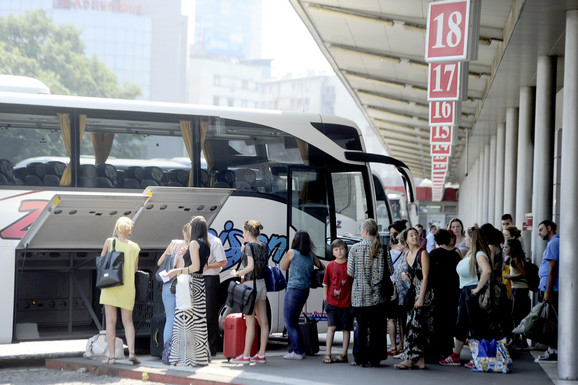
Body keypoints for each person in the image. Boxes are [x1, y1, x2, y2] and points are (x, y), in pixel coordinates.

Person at [439, 227, 492, 368]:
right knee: (461, 325)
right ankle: (456, 355)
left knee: (476, 326)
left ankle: (478, 357)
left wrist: (478, 288)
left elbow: (487, 271)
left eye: (467, 237)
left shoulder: (479, 254)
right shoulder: (471, 253)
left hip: (472, 292)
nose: (465, 239)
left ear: (472, 239)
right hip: (466, 292)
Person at [167, 216, 211, 367]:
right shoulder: (206, 244)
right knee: (198, 322)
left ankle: (183, 359)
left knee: (183, 320)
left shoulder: (193, 243)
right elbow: (204, 267)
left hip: (190, 283)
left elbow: (195, 267)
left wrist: (176, 270)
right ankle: (198, 359)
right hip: (200, 285)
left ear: (195, 228)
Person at [99, 216, 141, 365]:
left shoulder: (110, 242)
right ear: (129, 230)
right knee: (128, 321)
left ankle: (111, 357)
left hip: (110, 285)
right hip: (128, 287)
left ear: (117, 228)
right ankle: (131, 352)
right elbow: (135, 269)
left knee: (110, 322)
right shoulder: (135, 247)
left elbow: (102, 260)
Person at [347, 218, 387, 368]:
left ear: (364, 231)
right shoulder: (382, 248)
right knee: (377, 328)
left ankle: (360, 358)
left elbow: (350, 272)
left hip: (359, 295)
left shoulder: (355, 248)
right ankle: (375, 358)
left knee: (361, 327)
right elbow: (390, 269)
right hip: (377, 296)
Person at [230, 220, 270, 364]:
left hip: (249, 286)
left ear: (247, 232)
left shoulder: (248, 247)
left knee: (250, 322)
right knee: (264, 322)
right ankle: (261, 354)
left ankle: (246, 355)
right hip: (261, 285)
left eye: (243, 232)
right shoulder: (264, 245)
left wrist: (237, 273)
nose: (242, 235)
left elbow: (250, 266)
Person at [394, 228, 433, 370]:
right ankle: (417, 359)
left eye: (416, 234)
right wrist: (405, 274)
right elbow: (403, 270)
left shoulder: (423, 254)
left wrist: (421, 298)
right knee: (412, 326)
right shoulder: (407, 253)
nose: (415, 236)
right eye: (411, 235)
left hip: (423, 293)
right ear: (406, 239)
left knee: (415, 326)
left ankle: (412, 359)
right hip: (411, 293)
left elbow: (426, 277)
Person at [281, 231, 323, 360]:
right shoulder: (311, 255)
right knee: (294, 321)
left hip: (293, 290)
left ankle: (298, 352)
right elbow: (323, 267)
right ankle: (299, 350)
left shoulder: (291, 252)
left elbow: (284, 267)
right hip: (305, 290)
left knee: (289, 322)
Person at [429, 229, 461, 360]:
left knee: (438, 320)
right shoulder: (455, 255)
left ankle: (437, 350)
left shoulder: (434, 254)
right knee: (450, 319)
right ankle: (448, 349)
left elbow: (429, 273)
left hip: (438, 291)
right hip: (453, 291)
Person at [156, 223, 189, 349]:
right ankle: (181, 351)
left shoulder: (174, 244)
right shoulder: (192, 246)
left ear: (183, 232)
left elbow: (160, 262)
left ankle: (167, 351)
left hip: (168, 284)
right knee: (184, 320)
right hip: (183, 284)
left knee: (170, 318)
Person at [322, 239, 353, 364]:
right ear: (333, 252)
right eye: (336, 250)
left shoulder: (350, 264)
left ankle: (344, 354)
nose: (339, 252)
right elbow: (325, 283)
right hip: (331, 302)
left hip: (347, 302)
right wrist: (325, 300)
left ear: (346, 250)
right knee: (332, 327)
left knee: (346, 328)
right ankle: (327, 353)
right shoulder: (330, 266)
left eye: (341, 249)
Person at [534, 220, 559, 363]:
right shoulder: (554, 243)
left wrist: (548, 292)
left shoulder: (553, 243)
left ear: (549, 228)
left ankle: (553, 351)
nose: (539, 233)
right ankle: (551, 350)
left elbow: (552, 269)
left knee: (550, 322)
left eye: (541, 229)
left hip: (552, 289)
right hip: (549, 288)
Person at [502, 239, 531, 350]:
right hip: (517, 288)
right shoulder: (512, 259)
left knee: (516, 314)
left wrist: (510, 277)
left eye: (506, 247)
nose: (504, 249)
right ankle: (518, 339)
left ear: (512, 248)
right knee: (517, 314)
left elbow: (523, 273)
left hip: (520, 288)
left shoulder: (516, 259)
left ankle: (519, 340)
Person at [203, 230, 228, 356]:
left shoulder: (215, 242)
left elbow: (223, 262)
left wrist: (207, 266)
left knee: (210, 313)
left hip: (210, 279)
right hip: (200, 278)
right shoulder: (199, 242)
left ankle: (212, 347)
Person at [387, 221, 408, 356]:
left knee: (392, 318)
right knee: (401, 318)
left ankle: (394, 346)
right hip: (402, 289)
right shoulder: (408, 251)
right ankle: (401, 345)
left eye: (393, 233)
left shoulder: (390, 252)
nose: (391, 236)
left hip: (393, 288)